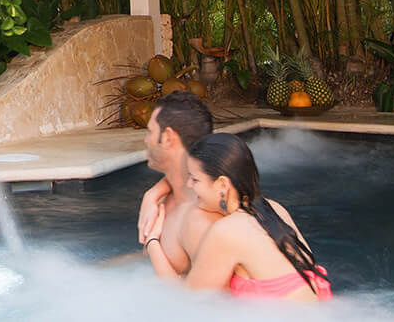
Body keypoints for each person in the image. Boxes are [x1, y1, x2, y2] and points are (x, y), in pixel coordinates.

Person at [144, 132, 330, 301]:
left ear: (222, 184)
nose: (189, 185)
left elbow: (188, 300)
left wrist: (152, 242)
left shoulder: (226, 231)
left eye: (195, 179)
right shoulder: (274, 208)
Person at [134, 90, 218, 274]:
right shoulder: (168, 198)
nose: (146, 140)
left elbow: (207, 292)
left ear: (167, 138)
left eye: (150, 132)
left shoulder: (200, 220)